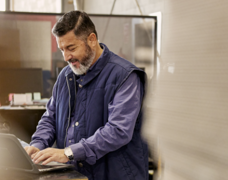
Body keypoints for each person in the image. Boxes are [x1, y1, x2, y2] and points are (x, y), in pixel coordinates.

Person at [25, 10, 148, 180]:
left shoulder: (125, 76)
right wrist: (38, 145)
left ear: (91, 39)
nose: (66, 57)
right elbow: (51, 118)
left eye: (71, 48)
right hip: (75, 175)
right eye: (62, 50)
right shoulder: (66, 76)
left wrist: (69, 153)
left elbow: (118, 130)